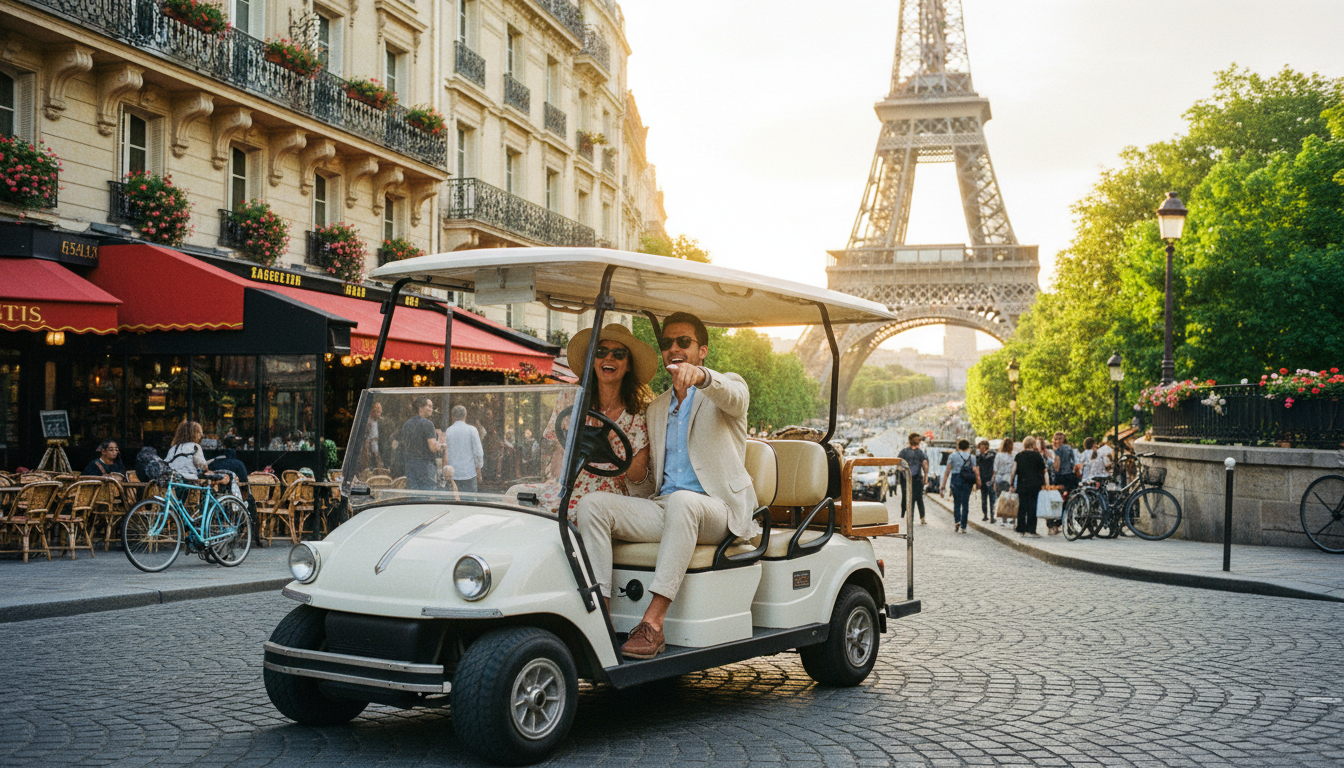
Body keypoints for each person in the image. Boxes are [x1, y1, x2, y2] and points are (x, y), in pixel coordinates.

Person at [577, 312, 756, 660]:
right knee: (593, 505)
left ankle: (653, 624)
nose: (674, 348)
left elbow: (735, 397)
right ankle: (600, 617)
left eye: (683, 342)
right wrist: (624, 465)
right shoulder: (656, 408)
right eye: (667, 343)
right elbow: (647, 488)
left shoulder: (724, 387)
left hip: (716, 510)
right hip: (669, 507)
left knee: (684, 502)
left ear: (702, 350)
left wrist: (702, 378)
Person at [537, 324, 655, 519]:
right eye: (601, 352)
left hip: (610, 494)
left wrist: (608, 442)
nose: (609, 358)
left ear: (628, 365)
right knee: (518, 500)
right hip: (569, 483)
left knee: (580, 513)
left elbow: (638, 476)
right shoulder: (570, 398)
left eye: (618, 354)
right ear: (593, 359)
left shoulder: (640, 411)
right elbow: (559, 463)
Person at [402, 397, 444, 491]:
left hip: (410, 464)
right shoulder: (428, 424)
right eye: (429, 406)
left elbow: (405, 444)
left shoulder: (407, 424)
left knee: (414, 495)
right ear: (420, 408)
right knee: (426, 495)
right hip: (425, 466)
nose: (431, 409)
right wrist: (440, 442)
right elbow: (433, 447)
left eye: (432, 407)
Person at [1011, 435, 1047, 537]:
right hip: (1035, 485)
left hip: (1022, 484)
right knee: (1032, 506)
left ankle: (1021, 528)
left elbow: (1013, 471)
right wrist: (1046, 484)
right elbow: (1044, 471)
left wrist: (1011, 484)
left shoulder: (1019, 456)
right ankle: (1031, 529)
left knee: (1022, 506)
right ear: (1033, 444)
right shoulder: (1037, 456)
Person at [443, 404, 484, 493]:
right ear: (465, 416)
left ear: (452, 417)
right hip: (469, 473)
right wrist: (478, 470)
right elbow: (478, 453)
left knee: (454, 504)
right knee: (470, 503)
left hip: (453, 474)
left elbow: (445, 453)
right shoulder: (472, 430)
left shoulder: (448, 431)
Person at [941, 438, 979, 533]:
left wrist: (943, 485)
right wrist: (978, 482)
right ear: (968, 447)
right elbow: (975, 470)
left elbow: (947, 471)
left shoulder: (953, 456)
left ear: (958, 446)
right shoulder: (972, 457)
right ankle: (964, 526)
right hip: (967, 479)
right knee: (965, 502)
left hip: (956, 478)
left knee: (956, 502)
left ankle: (957, 520)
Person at [897, 433, 928, 525]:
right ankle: (922, 518)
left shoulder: (903, 452)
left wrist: (903, 471)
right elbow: (925, 465)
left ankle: (910, 518)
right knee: (919, 498)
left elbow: (898, 465)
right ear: (918, 442)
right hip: (917, 478)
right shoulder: (921, 453)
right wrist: (925, 477)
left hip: (906, 479)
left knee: (908, 498)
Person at [993, 437, 1016, 525]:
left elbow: (995, 468)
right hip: (1009, 478)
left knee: (1000, 498)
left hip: (999, 478)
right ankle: (1012, 516)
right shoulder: (1013, 455)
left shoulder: (998, 455)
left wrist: (993, 479)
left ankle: (1003, 517)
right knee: (1010, 498)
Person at [975, 439, 997, 522]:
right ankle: (990, 515)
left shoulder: (980, 456)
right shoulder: (993, 455)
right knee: (990, 498)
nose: (981, 450)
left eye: (982, 448)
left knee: (985, 498)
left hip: (985, 479)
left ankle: (987, 515)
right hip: (988, 479)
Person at [363, 401, 384, 470]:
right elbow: (366, 439)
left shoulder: (381, 421)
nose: (378, 412)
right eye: (376, 410)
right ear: (372, 411)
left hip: (378, 444)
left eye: (380, 410)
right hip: (369, 444)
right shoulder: (368, 421)